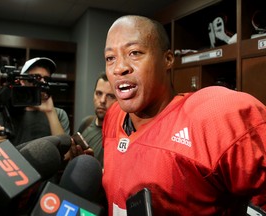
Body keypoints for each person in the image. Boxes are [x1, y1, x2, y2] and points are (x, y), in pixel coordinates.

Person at [102, 15, 266, 215]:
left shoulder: (211, 117)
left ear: (167, 59)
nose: (119, 68)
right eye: (110, 58)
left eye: (134, 53)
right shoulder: (113, 116)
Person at [0, 57, 70, 146]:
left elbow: (66, 154)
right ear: (22, 81)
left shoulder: (59, 114)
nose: (42, 82)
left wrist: (50, 112)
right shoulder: (4, 117)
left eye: (46, 79)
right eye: (36, 78)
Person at [77, 73, 116, 167]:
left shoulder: (121, 134)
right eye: (99, 93)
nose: (102, 100)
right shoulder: (86, 123)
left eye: (110, 96)